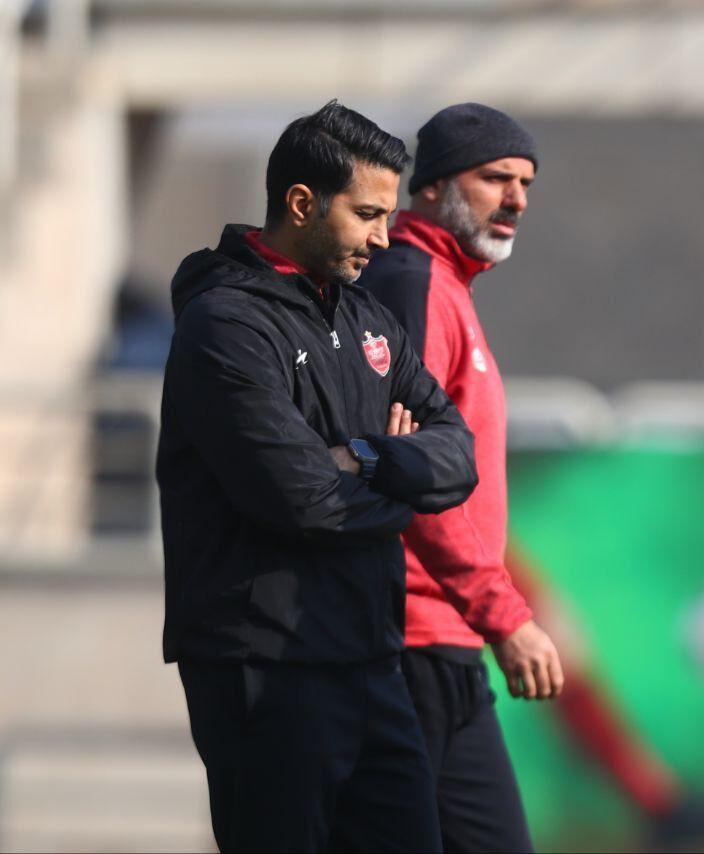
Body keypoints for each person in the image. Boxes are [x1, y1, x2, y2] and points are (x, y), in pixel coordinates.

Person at [157, 100, 478, 853]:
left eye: (387, 216)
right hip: (266, 668)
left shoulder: (369, 319)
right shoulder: (225, 325)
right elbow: (304, 501)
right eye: (367, 214)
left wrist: (369, 459)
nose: (383, 237)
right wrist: (403, 490)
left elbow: (457, 455)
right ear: (301, 203)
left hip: (372, 660)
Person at [362, 102, 561, 852]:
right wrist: (503, 616)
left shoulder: (444, 284)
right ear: (433, 184)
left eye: (526, 183)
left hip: (441, 634)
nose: (517, 199)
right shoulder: (411, 281)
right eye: (496, 179)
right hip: (412, 636)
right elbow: (404, 470)